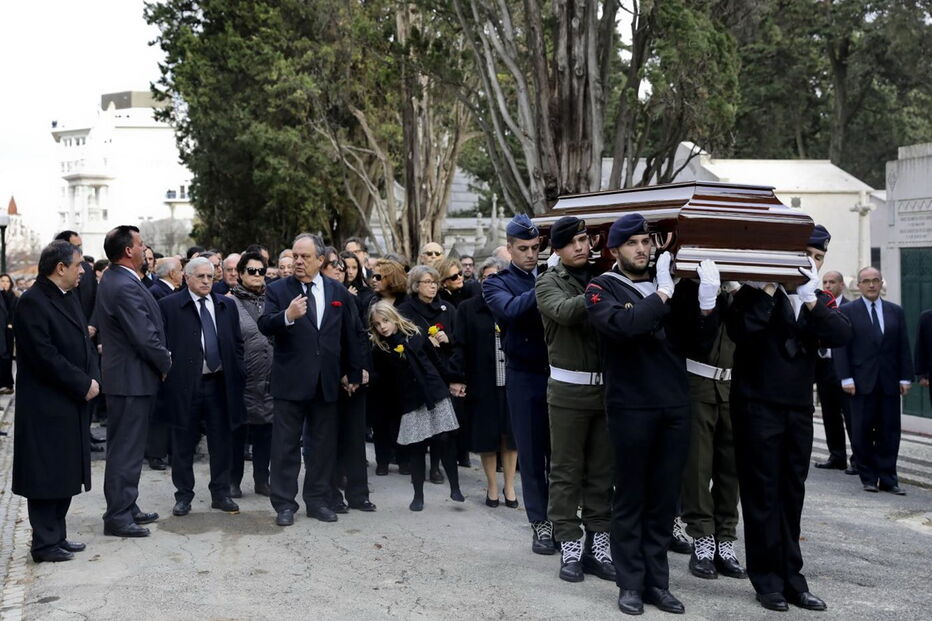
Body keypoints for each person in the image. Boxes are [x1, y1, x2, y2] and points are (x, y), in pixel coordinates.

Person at [585, 213, 720, 616]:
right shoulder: (601, 287)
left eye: (646, 242)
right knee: (630, 499)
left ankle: (656, 584)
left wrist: (708, 307)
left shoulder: (668, 287)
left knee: (663, 502)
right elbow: (625, 325)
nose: (642, 249)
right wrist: (661, 294)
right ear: (615, 250)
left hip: (673, 404)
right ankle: (630, 584)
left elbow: (696, 345)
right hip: (630, 407)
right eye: (633, 243)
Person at [727, 227, 851, 612]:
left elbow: (841, 334)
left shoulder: (815, 298)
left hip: (797, 408)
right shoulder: (752, 292)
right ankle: (766, 581)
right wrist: (770, 287)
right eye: (805, 255)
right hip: (757, 405)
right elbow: (743, 331)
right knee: (762, 494)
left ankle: (793, 579)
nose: (811, 263)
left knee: (791, 494)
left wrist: (810, 298)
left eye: (817, 257)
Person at [257, 233, 363, 526]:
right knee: (285, 446)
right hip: (290, 381)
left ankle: (317, 501)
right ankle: (284, 504)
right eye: (295, 256)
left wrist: (353, 371)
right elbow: (265, 324)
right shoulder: (278, 289)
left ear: (320, 260)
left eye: (305, 257)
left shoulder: (336, 291)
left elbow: (350, 333)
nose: (298, 261)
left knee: (322, 446)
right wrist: (287, 316)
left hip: (326, 381)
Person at [536, 216, 615, 584]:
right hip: (568, 392)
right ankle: (569, 543)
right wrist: (605, 291)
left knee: (602, 472)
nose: (581, 247)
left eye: (584, 239)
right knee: (567, 472)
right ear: (558, 249)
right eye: (573, 243)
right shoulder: (548, 282)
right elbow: (565, 312)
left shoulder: (601, 274)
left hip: (605, 391)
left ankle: (598, 545)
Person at [12, 241, 100, 562]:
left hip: (69, 401)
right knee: (46, 474)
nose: (83, 272)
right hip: (46, 405)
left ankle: (57, 535)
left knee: (63, 471)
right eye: (78, 265)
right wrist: (83, 383)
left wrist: (94, 377)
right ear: (60, 267)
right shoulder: (33, 302)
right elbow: (44, 356)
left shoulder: (68, 296)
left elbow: (82, 341)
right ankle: (44, 543)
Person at [483, 214, 554, 555]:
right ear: (509, 249)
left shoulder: (552, 275)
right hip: (524, 374)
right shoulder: (496, 283)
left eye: (536, 248)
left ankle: (564, 520)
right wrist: (548, 282)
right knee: (531, 452)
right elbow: (510, 312)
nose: (531, 255)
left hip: (558, 372)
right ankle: (540, 523)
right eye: (523, 249)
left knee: (562, 455)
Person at [95, 225, 172, 538]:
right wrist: (165, 361)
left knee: (127, 447)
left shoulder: (121, 279)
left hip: (131, 378)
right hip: (130, 380)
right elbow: (143, 334)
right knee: (125, 449)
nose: (145, 248)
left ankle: (127, 505)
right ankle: (118, 515)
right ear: (128, 251)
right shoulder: (122, 284)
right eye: (141, 244)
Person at [157, 257, 245, 516]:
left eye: (210, 276)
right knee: (183, 443)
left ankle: (221, 493)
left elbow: (237, 343)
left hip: (219, 384)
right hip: (186, 385)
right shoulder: (169, 306)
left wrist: (237, 369)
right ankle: (183, 495)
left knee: (221, 441)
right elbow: (161, 344)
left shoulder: (226, 305)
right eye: (201, 277)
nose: (207, 281)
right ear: (187, 277)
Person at [677, 276, 746, 581]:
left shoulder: (743, 294)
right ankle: (702, 540)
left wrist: (737, 291)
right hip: (698, 384)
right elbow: (691, 337)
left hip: (733, 387)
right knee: (698, 467)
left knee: (731, 471)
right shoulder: (689, 288)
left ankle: (725, 540)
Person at [369, 301, 462, 510]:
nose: (382, 326)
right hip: (409, 399)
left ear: (394, 318)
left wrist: (453, 380)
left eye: (385, 321)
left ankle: (455, 487)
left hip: (434, 391)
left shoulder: (416, 334)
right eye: (377, 324)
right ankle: (418, 495)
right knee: (417, 447)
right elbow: (382, 378)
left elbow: (436, 361)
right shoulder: (381, 348)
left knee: (445, 438)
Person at [834, 266, 912, 495]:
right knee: (861, 431)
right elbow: (842, 347)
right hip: (860, 382)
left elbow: (903, 347)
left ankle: (888, 478)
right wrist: (845, 377)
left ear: (881, 283)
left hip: (889, 382)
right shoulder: (848, 311)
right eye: (866, 281)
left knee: (890, 431)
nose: (871, 285)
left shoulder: (895, 311)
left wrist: (906, 377)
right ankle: (868, 476)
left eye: (875, 280)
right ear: (859, 285)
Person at [450, 258, 518, 509]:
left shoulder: (514, 304)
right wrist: (458, 377)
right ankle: (491, 486)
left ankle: (509, 486)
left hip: (512, 382)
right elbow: (460, 346)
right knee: (487, 437)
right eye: (487, 277)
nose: (492, 282)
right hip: (483, 382)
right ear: (480, 281)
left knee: (511, 437)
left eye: (497, 277)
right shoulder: (468, 308)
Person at [399, 265, 461, 486]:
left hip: (442, 372)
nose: (433, 286)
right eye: (427, 282)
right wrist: (424, 341)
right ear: (416, 285)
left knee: (441, 427)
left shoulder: (447, 308)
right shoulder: (405, 309)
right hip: (418, 373)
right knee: (420, 422)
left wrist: (448, 339)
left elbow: (460, 340)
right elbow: (401, 337)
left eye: (435, 282)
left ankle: (435, 466)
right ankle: (414, 464)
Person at [228, 252, 274, 497]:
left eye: (261, 271)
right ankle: (233, 481)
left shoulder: (273, 298)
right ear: (241, 274)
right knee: (238, 432)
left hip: (269, 377)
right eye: (252, 271)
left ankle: (261, 480)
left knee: (265, 431)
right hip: (242, 377)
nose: (257, 276)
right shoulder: (228, 302)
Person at [368, 258, 410, 476]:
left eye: (377, 277)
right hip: (378, 371)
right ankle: (382, 460)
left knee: (402, 416)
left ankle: (404, 459)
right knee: (379, 418)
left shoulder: (407, 303)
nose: (372, 280)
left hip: (402, 371)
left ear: (390, 278)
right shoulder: (369, 302)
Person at [815, 265, 855, 472]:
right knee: (829, 414)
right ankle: (837, 456)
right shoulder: (818, 306)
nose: (828, 285)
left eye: (832, 282)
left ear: (841, 285)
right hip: (824, 368)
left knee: (851, 415)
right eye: (825, 282)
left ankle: (857, 459)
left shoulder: (850, 308)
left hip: (844, 370)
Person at [54, 231, 97, 324]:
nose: (80, 250)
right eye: (76, 247)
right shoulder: (52, 272)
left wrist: (92, 325)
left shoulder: (87, 268)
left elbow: (96, 298)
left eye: (80, 246)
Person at [0, 273, 16, 393]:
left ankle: (8, 384)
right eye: (2, 281)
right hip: (1, 330)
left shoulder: (14, 297)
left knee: (7, 356)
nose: (5, 283)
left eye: (7, 281)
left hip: (9, 331)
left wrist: (11, 323)